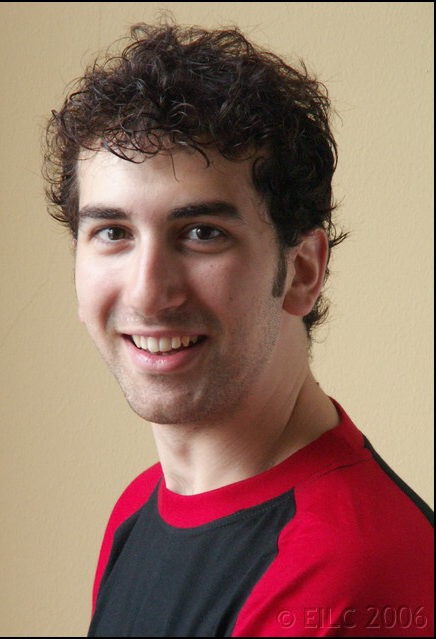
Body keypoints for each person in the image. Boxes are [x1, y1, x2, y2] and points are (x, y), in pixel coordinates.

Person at [44, 22, 434, 637]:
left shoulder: (346, 573)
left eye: (202, 233)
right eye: (112, 233)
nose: (146, 291)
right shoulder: (139, 511)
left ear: (302, 270)